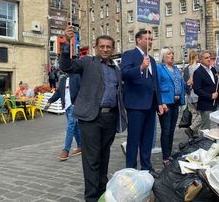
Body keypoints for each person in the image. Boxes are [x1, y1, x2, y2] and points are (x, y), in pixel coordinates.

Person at [59, 25, 127, 202]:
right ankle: (91, 197)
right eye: (102, 46)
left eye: (108, 47)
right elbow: (66, 66)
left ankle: (102, 194)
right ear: (96, 47)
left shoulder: (116, 69)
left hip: (110, 118)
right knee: (92, 159)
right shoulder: (87, 62)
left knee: (104, 157)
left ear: (113, 49)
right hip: (91, 118)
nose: (105, 49)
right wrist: (67, 43)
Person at [120, 30, 164, 178]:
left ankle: (147, 167)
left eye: (152, 39)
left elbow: (155, 83)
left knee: (147, 139)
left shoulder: (151, 59)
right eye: (147, 38)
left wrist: (159, 102)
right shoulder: (129, 55)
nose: (150, 41)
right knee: (134, 139)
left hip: (151, 105)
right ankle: (131, 169)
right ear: (138, 40)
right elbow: (124, 73)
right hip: (136, 104)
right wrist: (140, 68)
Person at [156, 47, 186, 167]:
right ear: (163, 56)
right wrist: (161, 102)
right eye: (169, 54)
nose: (172, 56)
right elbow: (157, 86)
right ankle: (165, 156)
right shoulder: (160, 68)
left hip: (176, 102)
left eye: (172, 54)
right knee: (166, 130)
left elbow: (180, 83)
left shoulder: (176, 69)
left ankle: (168, 154)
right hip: (166, 103)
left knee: (172, 130)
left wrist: (187, 84)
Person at [45, 72, 82, 161]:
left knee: (70, 127)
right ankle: (81, 146)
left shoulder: (77, 76)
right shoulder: (63, 79)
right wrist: (50, 101)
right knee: (75, 127)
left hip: (75, 106)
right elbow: (58, 92)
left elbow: (82, 90)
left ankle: (66, 150)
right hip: (67, 107)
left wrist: (78, 103)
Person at [192, 50, 219, 132]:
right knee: (206, 129)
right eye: (206, 58)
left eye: (209, 57)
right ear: (200, 60)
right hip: (206, 105)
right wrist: (210, 96)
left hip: (217, 103)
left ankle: (215, 144)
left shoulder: (213, 70)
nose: (209, 59)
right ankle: (204, 144)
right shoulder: (198, 72)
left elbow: (216, 85)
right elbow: (197, 89)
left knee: (217, 128)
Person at [183, 50, 200, 139]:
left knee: (194, 114)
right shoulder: (198, 67)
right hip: (197, 95)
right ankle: (192, 129)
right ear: (195, 57)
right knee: (201, 115)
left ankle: (193, 134)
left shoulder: (186, 68)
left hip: (189, 96)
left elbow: (184, 82)